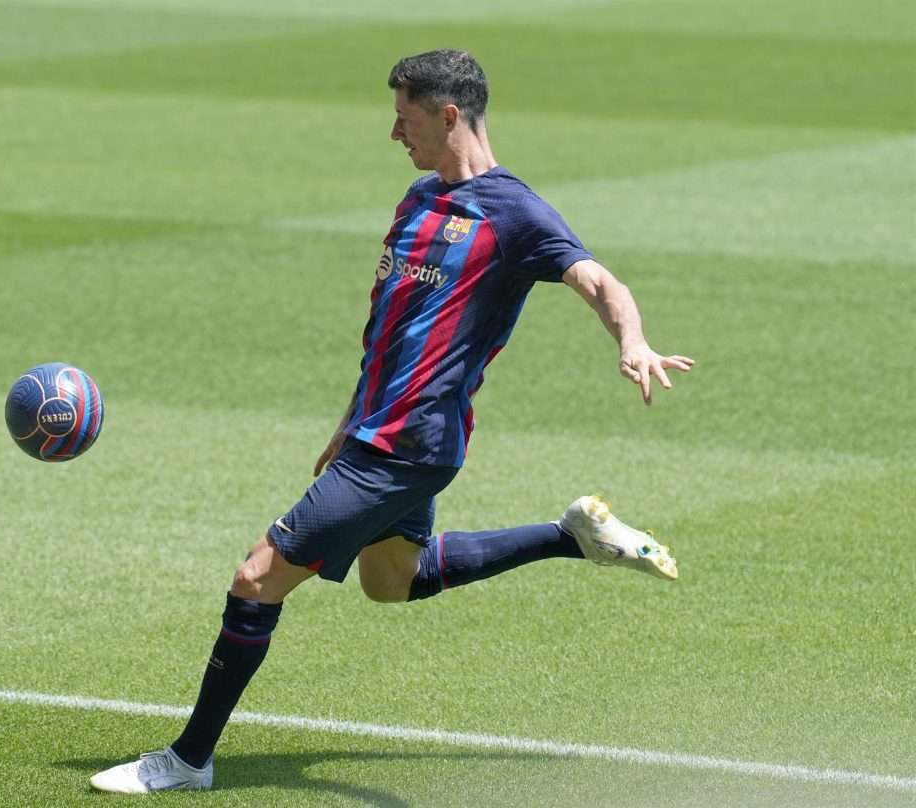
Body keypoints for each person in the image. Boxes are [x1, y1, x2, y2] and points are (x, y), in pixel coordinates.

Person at [90, 48, 694, 794]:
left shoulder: (516, 215)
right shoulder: (416, 201)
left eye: (404, 118)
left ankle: (187, 760)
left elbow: (599, 279)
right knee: (393, 581)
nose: (393, 134)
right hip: (380, 432)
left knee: (255, 581)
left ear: (448, 116)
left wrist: (631, 340)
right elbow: (392, 325)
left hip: (404, 446)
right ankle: (569, 536)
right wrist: (348, 417)